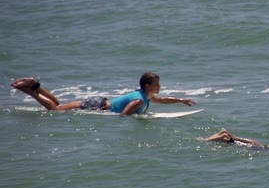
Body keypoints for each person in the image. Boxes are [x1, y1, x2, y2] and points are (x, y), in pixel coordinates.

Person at [10, 72, 198, 116]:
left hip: (99, 101)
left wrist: (181, 100)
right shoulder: (139, 100)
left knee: (58, 105)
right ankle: (28, 89)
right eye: (157, 84)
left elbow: (162, 100)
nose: (159, 87)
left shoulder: (144, 95)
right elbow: (125, 115)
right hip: (98, 106)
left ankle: (34, 86)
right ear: (148, 85)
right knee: (55, 109)